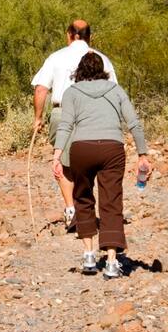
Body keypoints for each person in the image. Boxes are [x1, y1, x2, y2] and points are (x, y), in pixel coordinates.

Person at [52, 52, 150, 279]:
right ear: (103, 71)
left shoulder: (71, 92)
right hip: (112, 149)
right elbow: (134, 123)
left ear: (80, 71)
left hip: (82, 149)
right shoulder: (116, 90)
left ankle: (88, 255)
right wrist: (142, 153)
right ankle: (112, 262)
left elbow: (65, 125)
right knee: (111, 201)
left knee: (83, 197)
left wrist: (56, 156)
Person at [32, 19, 118, 227]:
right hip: (94, 113)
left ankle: (72, 209)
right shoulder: (103, 60)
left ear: (69, 35)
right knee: (90, 161)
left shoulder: (56, 57)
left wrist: (38, 118)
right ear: (90, 36)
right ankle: (85, 208)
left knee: (62, 162)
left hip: (62, 112)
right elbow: (114, 90)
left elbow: (41, 89)